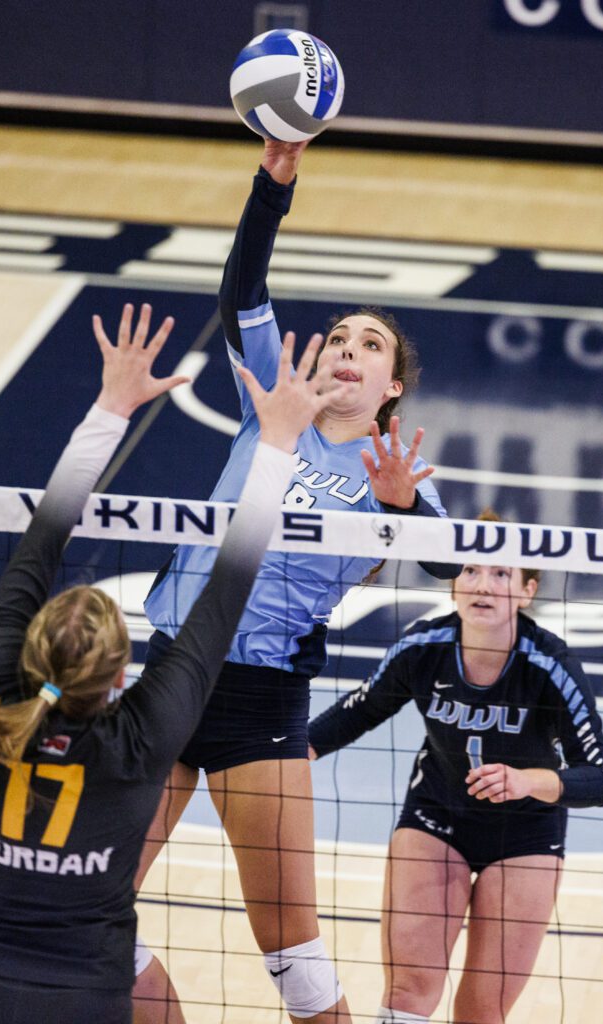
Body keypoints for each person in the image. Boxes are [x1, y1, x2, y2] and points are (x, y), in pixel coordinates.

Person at [0, 302, 342, 1024]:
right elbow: (230, 582)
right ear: (122, 678)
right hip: (80, 999)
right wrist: (278, 442)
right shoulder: (143, 739)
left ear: (29, 645)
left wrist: (113, 406)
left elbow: (41, 536)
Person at [134, 139, 461, 1024]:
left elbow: (453, 567)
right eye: (342, 337)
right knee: (95, 908)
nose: (350, 349)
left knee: (292, 955)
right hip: (168, 671)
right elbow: (242, 292)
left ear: (391, 387)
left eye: (372, 345)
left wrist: (403, 510)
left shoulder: (396, 469)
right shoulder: (272, 405)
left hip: (258, 701)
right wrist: (272, 184)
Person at [308, 517, 603, 1024]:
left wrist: (526, 781)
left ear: (527, 590)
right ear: (453, 580)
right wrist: (291, 752)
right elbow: (357, 711)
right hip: (436, 816)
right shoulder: (423, 648)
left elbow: (598, 779)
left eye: (501, 574)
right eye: (470, 569)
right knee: (408, 992)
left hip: (526, 834)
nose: (482, 585)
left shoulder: (550, 667)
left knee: (481, 1010)